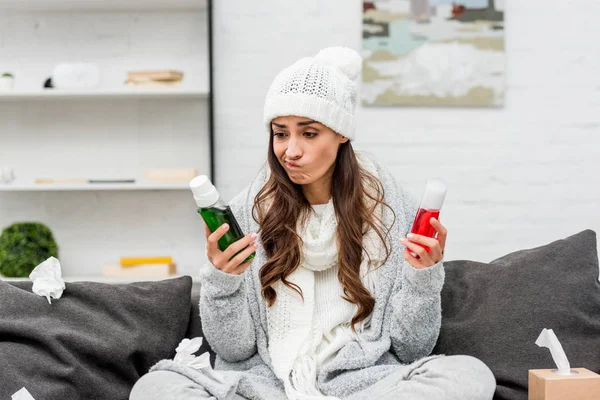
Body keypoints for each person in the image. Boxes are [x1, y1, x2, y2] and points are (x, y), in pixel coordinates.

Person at [130, 46, 496, 400]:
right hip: (268, 384)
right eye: (280, 133)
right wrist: (222, 280)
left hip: (363, 385)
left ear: (341, 134)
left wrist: (422, 278)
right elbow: (234, 350)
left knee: (468, 375)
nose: (290, 151)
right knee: (156, 387)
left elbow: (411, 348)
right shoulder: (248, 212)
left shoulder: (392, 211)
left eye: (308, 133)